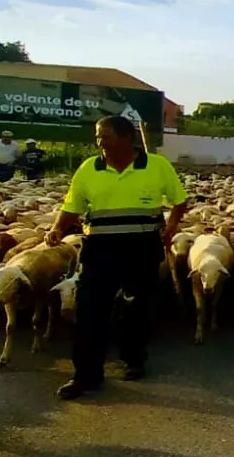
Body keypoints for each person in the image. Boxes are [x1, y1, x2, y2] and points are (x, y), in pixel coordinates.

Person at [45, 115, 189, 400]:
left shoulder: (156, 166)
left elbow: (180, 201)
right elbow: (72, 205)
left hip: (142, 247)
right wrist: (57, 228)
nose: (100, 142)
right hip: (100, 248)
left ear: (127, 138)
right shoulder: (89, 168)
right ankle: (86, 375)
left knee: (138, 307)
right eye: (98, 137)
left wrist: (171, 226)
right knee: (89, 310)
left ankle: (134, 359)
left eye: (106, 136)